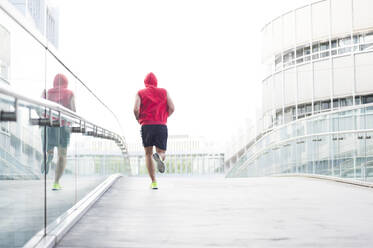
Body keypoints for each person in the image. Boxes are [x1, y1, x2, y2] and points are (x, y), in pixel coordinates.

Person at [134, 72, 175, 190]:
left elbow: (135, 109)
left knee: (148, 153)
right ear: (156, 82)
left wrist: (139, 119)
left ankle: (154, 182)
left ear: (145, 82)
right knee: (161, 151)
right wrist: (164, 117)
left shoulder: (140, 93)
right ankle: (160, 157)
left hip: (146, 125)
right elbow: (172, 108)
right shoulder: (164, 92)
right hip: (161, 125)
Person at [41, 73, 76, 191]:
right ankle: (56, 182)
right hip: (63, 126)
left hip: (50, 125)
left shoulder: (47, 92)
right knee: (62, 155)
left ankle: (48, 156)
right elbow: (73, 111)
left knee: (49, 148)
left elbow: (41, 108)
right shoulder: (69, 93)